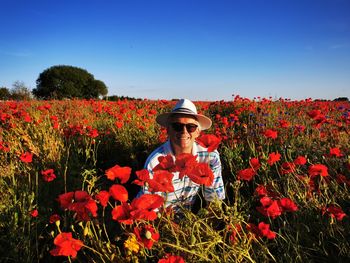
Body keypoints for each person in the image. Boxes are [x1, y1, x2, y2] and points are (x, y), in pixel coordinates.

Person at [139, 98, 225, 212]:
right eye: (177, 126)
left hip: (188, 218)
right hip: (162, 217)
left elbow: (214, 199)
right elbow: (150, 210)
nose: (184, 131)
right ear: (168, 130)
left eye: (191, 127)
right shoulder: (154, 162)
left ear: (198, 132)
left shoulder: (210, 157)